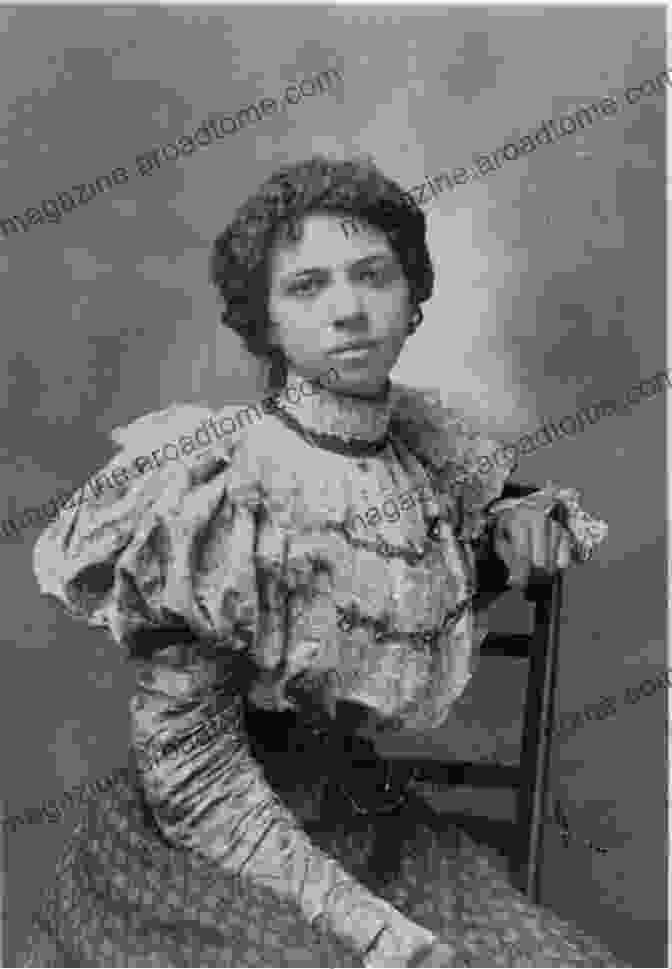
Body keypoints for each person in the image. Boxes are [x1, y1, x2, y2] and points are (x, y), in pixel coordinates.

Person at [20, 155, 620, 967]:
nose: (348, 311)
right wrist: (378, 934)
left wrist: (523, 518)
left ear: (412, 302)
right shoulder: (218, 481)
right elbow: (193, 780)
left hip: (366, 821)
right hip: (214, 842)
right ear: (263, 317)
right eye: (307, 287)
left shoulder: (417, 445)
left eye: (373, 276)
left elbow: (476, 515)